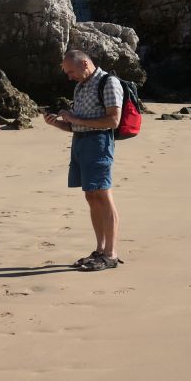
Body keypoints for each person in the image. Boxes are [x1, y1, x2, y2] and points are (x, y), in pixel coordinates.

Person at [43, 50, 124, 272]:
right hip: (80, 143)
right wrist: (56, 123)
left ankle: (111, 253)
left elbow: (113, 120)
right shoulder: (81, 86)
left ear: (85, 64)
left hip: (98, 143)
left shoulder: (108, 82)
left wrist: (74, 118)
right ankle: (100, 249)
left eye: (71, 71)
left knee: (103, 195)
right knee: (91, 196)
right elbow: (75, 125)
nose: (69, 77)